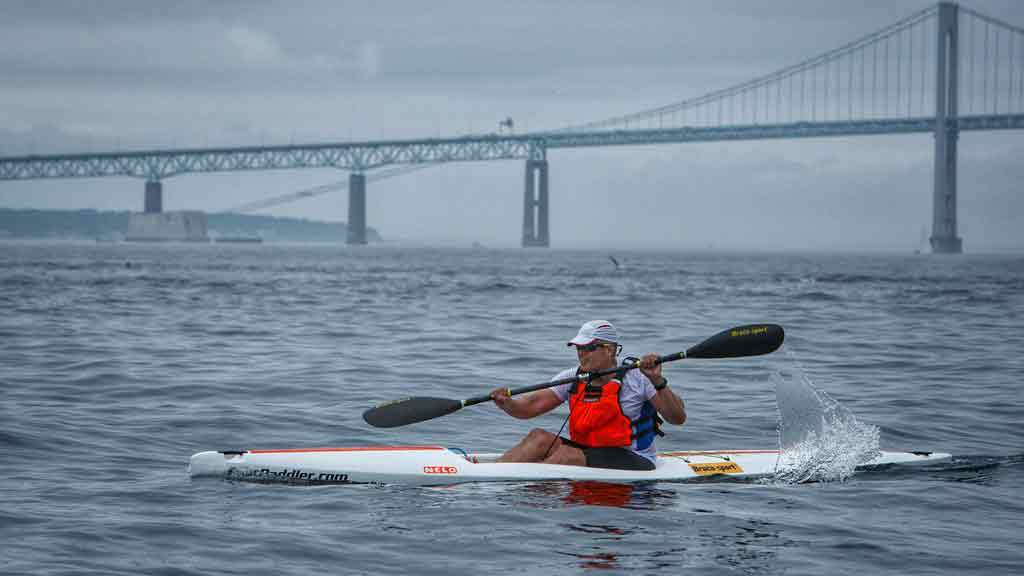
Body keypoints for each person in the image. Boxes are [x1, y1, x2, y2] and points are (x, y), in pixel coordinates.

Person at [489, 320, 686, 471]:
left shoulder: (639, 378)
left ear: (609, 350)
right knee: (539, 437)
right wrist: (507, 403)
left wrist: (658, 381)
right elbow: (528, 408)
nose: (581, 353)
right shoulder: (572, 377)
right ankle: (491, 475)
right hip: (589, 451)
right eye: (578, 348)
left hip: (635, 457)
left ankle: (523, 489)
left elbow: (677, 418)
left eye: (587, 347)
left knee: (566, 456)